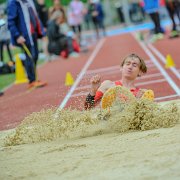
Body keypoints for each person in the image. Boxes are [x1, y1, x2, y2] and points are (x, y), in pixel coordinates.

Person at [84, 53, 154, 109]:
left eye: (134, 65)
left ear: (140, 72)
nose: (130, 67)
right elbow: (88, 108)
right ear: (121, 68)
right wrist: (93, 90)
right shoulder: (108, 85)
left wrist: (138, 102)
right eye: (127, 64)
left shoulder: (142, 93)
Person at [7, 0, 47, 89]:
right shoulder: (14, 3)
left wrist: (41, 30)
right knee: (30, 56)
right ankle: (32, 80)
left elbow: (35, 15)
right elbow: (11, 22)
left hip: (33, 33)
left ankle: (35, 78)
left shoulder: (29, 1)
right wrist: (17, 36)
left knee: (35, 55)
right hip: (24, 35)